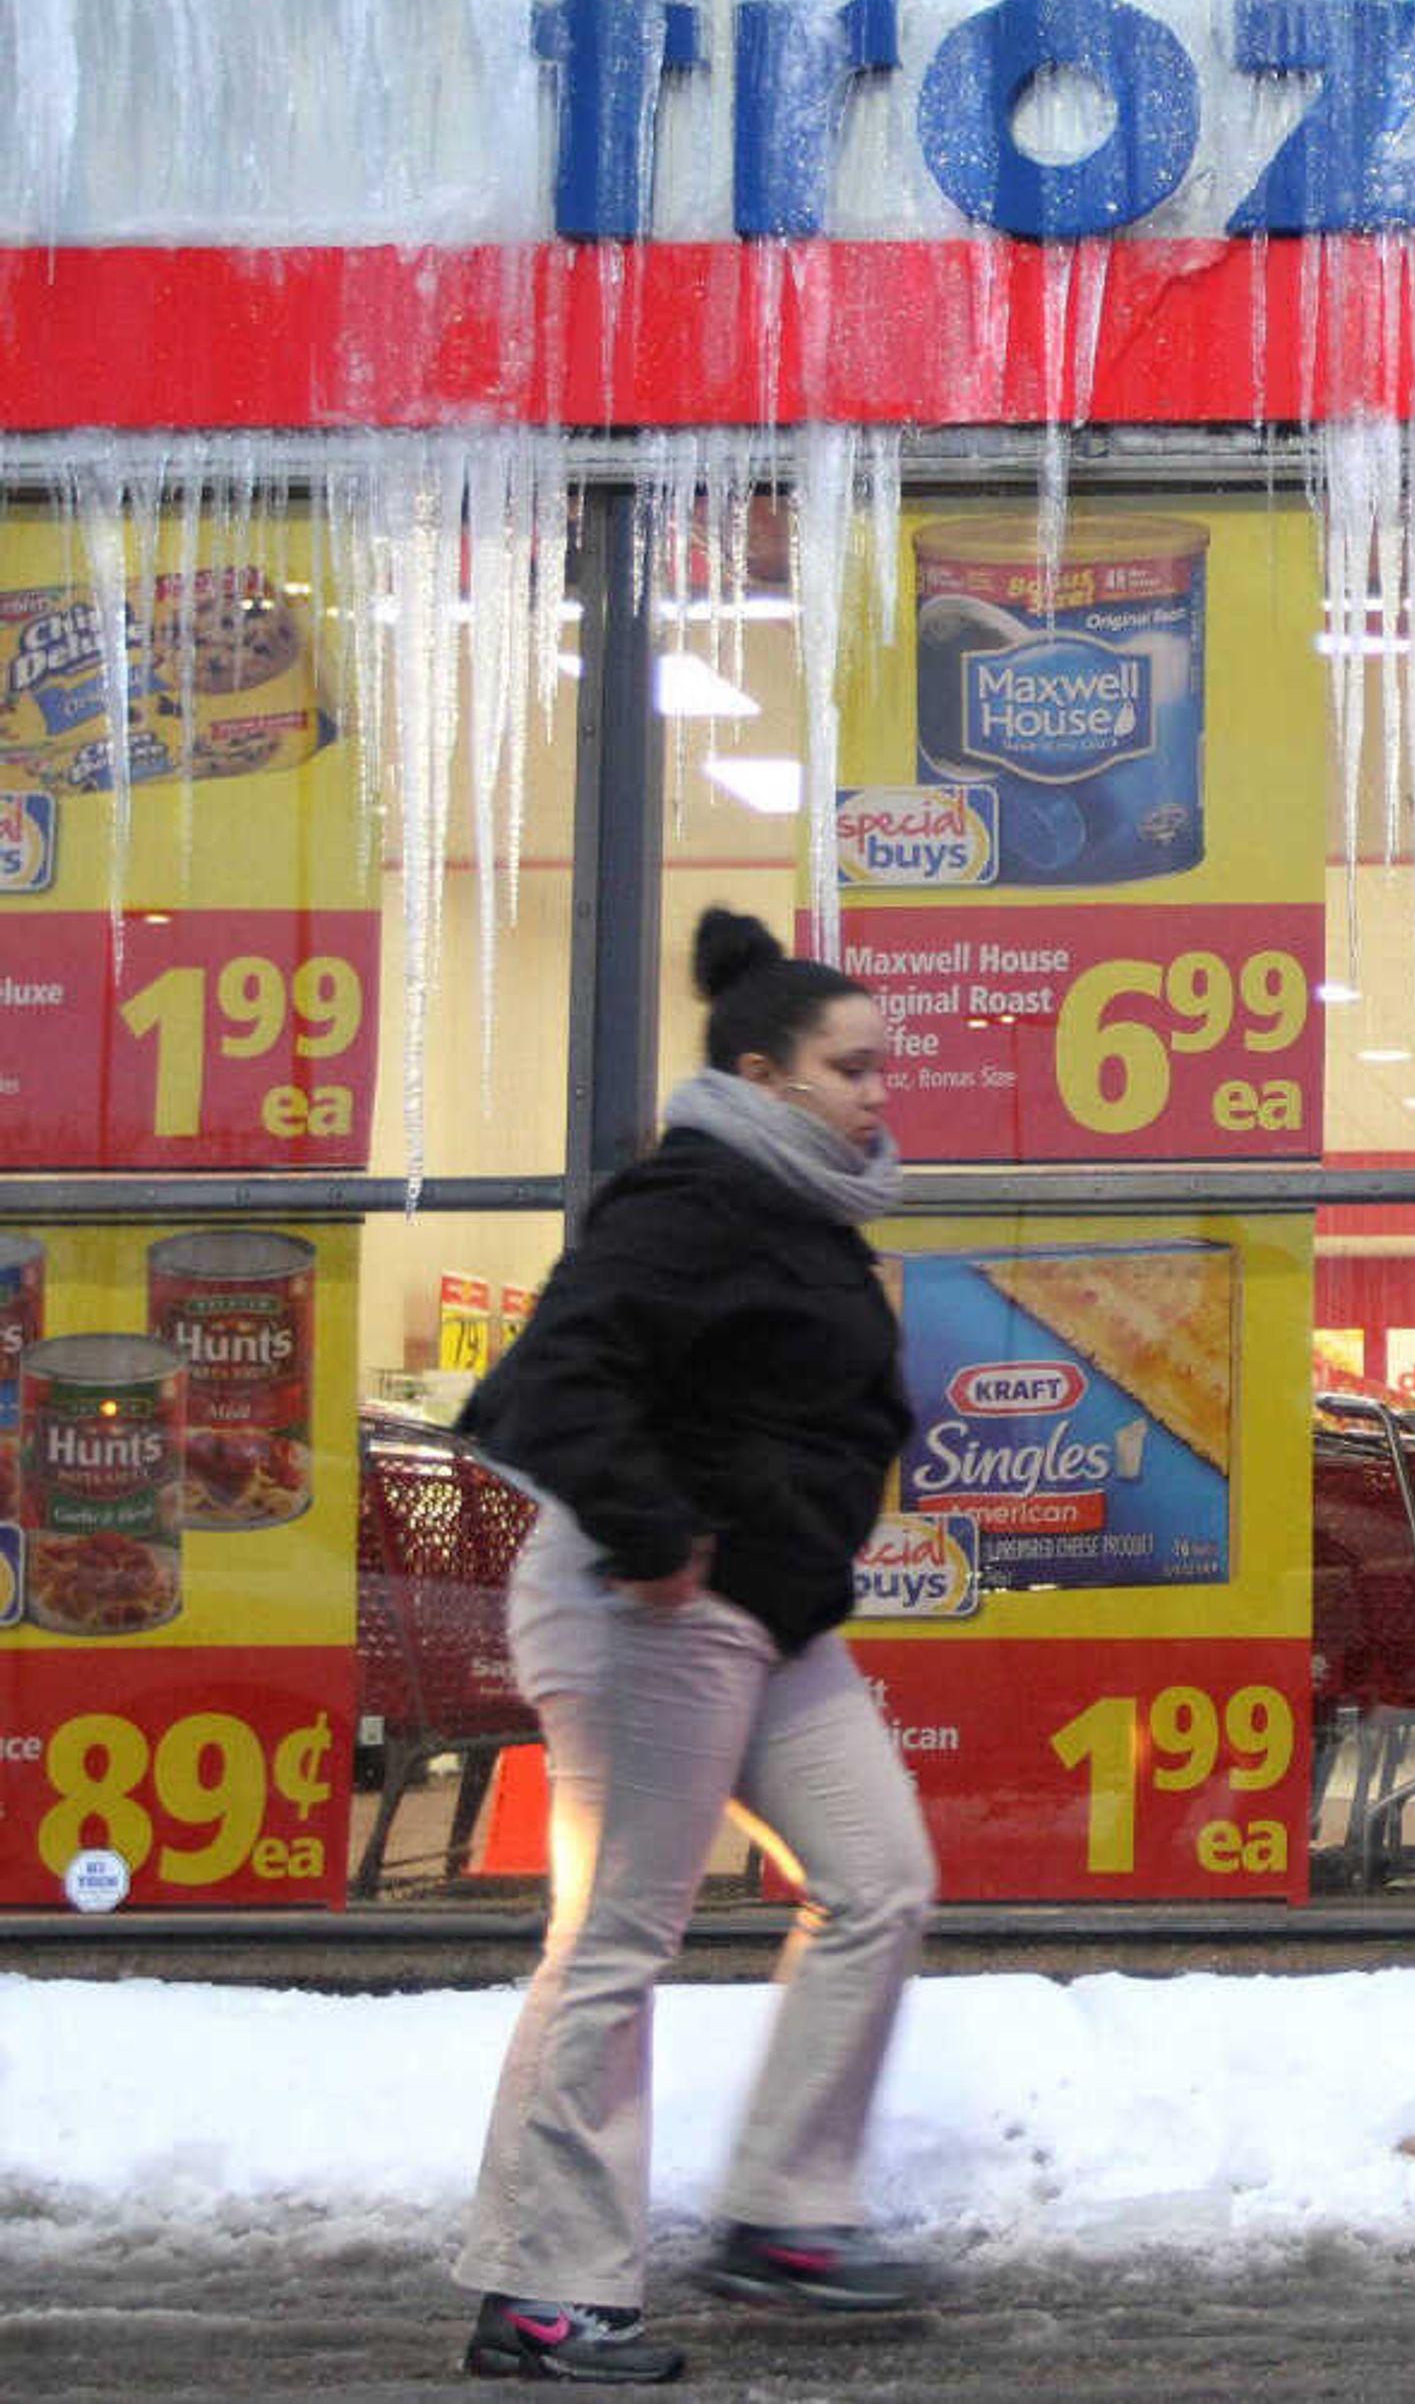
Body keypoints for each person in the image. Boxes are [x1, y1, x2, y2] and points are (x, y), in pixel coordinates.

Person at [450, 908, 936, 2385]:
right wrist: (658, 1537)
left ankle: (784, 2211)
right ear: (760, 1072)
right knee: (614, 1941)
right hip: (647, 1607)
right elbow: (543, 1389)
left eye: (878, 1070)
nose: (876, 1095)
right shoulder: (693, 1201)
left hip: (768, 1619)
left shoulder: (795, 1211)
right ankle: (543, 2291)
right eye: (849, 1069)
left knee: (881, 1880)